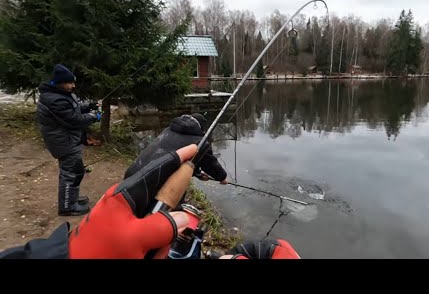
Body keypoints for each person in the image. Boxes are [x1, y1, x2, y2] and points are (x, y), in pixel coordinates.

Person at [0, 144, 300, 259]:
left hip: (134, 197)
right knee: (172, 226)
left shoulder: (168, 141)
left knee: (163, 227)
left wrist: (70, 254)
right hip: (142, 208)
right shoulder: (199, 144)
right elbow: (205, 163)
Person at [36, 64, 101, 217]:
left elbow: (74, 108)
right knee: (69, 173)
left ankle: (72, 198)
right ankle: (67, 207)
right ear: (59, 82)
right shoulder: (54, 99)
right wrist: (93, 117)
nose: (73, 85)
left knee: (77, 171)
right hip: (64, 143)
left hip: (70, 140)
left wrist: (88, 106)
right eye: (70, 82)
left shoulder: (59, 93)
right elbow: (74, 119)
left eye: (73, 82)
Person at [124, 113, 229, 206]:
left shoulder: (168, 131)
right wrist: (222, 177)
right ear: (201, 130)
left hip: (131, 175)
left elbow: (173, 159)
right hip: (150, 183)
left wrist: (197, 173)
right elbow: (210, 164)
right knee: (175, 196)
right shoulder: (198, 142)